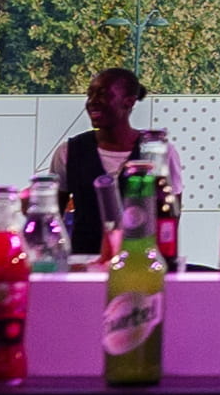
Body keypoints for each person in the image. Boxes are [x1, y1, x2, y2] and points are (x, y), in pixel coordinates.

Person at [47, 67, 156, 256]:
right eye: (90, 95)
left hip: (140, 262)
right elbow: (52, 217)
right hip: (83, 264)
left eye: (103, 94)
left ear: (128, 102)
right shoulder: (68, 151)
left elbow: (170, 215)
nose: (92, 101)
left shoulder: (156, 152)